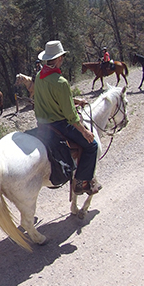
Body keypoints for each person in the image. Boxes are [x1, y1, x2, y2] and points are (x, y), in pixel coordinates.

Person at [33, 40, 101, 195]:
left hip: (43, 125)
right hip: (59, 125)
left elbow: (51, 97)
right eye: (62, 57)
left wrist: (75, 100)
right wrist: (85, 132)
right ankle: (81, 182)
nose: (62, 59)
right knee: (92, 146)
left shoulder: (39, 76)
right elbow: (71, 115)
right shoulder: (61, 82)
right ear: (58, 59)